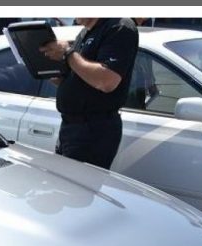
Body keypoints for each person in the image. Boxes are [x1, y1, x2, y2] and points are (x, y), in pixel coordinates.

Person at [39, 18, 138, 170]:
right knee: (65, 188)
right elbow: (78, 78)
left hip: (93, 129)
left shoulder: (120, 27)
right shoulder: (85, 32)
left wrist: (68, 52)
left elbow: (106, 81)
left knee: (75, 190)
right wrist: (45, 66)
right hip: (72, 127)